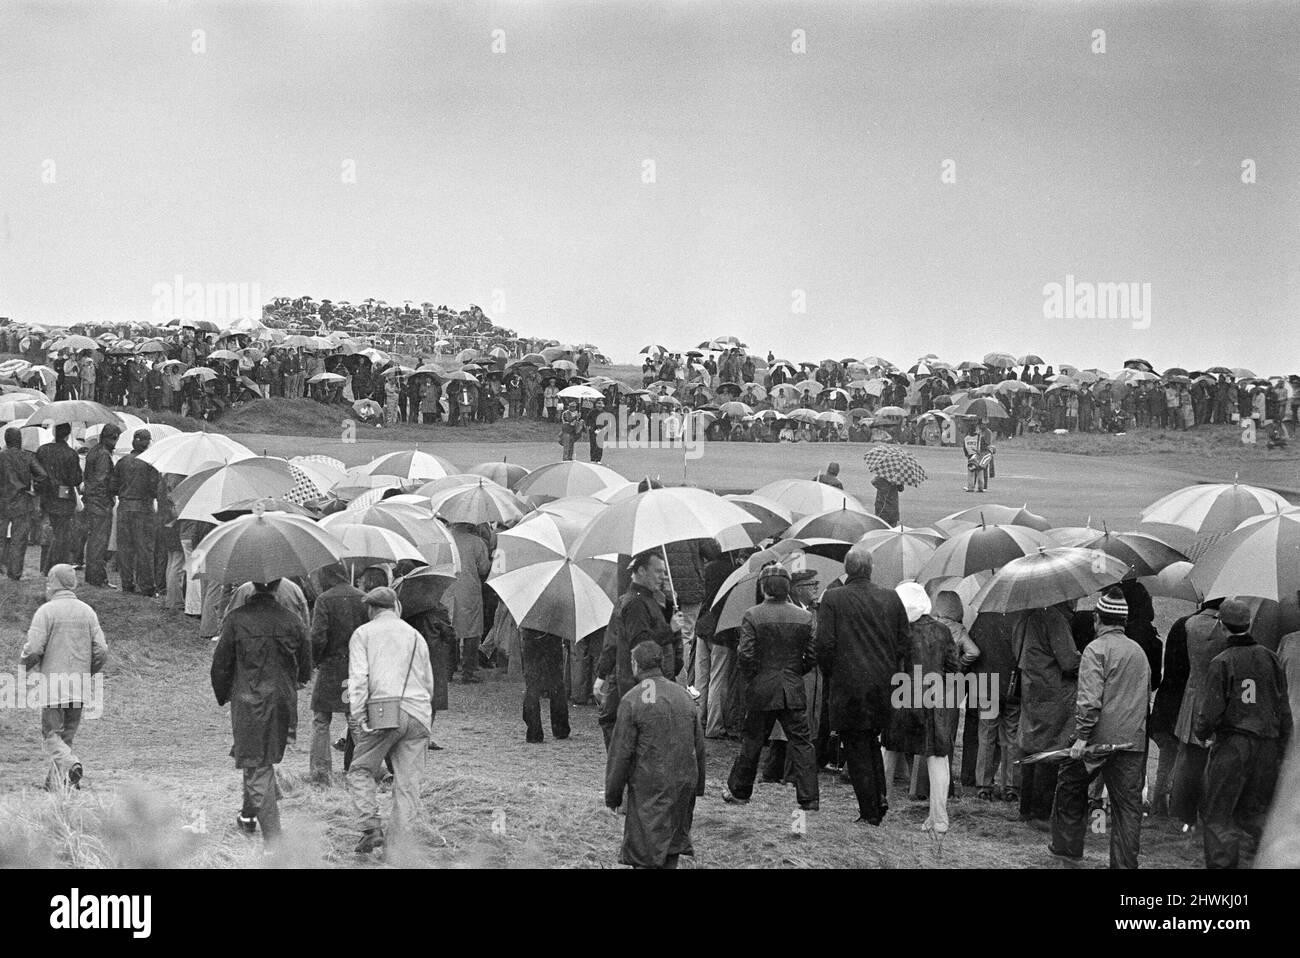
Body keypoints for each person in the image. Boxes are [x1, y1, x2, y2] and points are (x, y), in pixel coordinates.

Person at [1048, 589, 1151, 868]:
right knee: (1127, 810)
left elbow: (1090, 699)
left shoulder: (1096, 649)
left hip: (1096, 740)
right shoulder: (1139, 652)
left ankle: (1066, 854)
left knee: (1069, 788)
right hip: (1132, 742)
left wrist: (1081, 737)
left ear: (1097, 618)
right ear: (1124, 621)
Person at [210, 579, 312, 847]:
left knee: (256, 763)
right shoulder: (293, 619)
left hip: (249, 700)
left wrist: (223, 694)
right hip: (283, 699)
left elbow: (221, 664)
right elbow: (305, 666)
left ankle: (274, 841)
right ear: (278, 587)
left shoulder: (236, 619)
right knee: (257, 758)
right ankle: (248, 814)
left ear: (252, 588)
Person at [815, 543, 910, 825]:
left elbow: (824, 645)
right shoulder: (891, 597)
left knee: (857, 747)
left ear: (847, 570)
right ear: (870, 569)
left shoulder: (833, 598)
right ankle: (878, 801)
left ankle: (871, 810)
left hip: (849, 685)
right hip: (883, 684)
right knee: (870, 742)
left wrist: (833, 674)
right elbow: (904, 641)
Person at [1195, 598, 1293, 869]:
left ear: (1222, 626)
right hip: (1268, 746)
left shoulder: (1222, 661)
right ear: (1247, 624)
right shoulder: (1270, 657)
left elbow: (1211, 711)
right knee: (1255, 814)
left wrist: (1201, 732)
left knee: (1219, 814)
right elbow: (1283, 708)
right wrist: (1282, 747)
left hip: (1234, 746)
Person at [346, 586, 435, 856]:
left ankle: (371, 828)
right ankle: (398, 849)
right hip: (419, 713)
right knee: (407, 784)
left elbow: (359, 679)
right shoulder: (416, 635)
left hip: (383, 712)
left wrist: (359, 714)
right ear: (396, 606)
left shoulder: (363, 634)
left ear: (371, 609)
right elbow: (428, 682)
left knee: (360, 769)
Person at [722, 566, 819, 810]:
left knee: (753, 741)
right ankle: (809, 799)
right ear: (787, 587)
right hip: (792, 686)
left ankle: (739, 791)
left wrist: (755, 677)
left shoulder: (753, 615)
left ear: (763, 587)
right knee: (802, 743)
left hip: (762, 688)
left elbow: (745, 654)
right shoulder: (804, 617)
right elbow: (812, 654)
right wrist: (795, 673)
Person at [604, 640, 707, 869]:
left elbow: (620, 753)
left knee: (645, 850)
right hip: (682, 783)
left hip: (649, 786)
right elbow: (699, 746)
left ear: (635, 664)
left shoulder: (632, 699)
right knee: (672, 845)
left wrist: (613, 794)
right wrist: (697, 786)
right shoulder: (683, 697)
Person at [881, 582, 961, 834]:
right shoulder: (943, 630)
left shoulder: (897, 631)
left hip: (901, 697)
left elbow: (888, 667)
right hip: (933, 698)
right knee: (937, 758)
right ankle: (939, 819)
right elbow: (953, 667)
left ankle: (877, 809)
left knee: (887, 754)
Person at [20, 564, 107, 790]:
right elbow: (101, 650)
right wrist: (88, 672)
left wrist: (24, 666)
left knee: (51, 734)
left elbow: (34, 648)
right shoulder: (88, 611)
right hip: (79, 685)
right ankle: (58, 783)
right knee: (66, 736)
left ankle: (70, 765)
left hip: (53, 685)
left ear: (53, 582)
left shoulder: (46, 612)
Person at [596, 550, 685, 747]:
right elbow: (642, 645)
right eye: (658, 571)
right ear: (642, 570)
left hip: (644, 680)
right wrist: (670, 629)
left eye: (664, 572)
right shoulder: (636, 602)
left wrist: (670, 606)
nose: (663, 576)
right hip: (642, 681)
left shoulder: (648, 599)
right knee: (641, 729)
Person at [1014, 602, 1080, 828]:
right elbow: (1069, 661)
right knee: (1050, 748)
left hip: (1030, 685)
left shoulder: (1025, 614)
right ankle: (1040, 814)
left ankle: (1025, 809)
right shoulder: (1053, 617)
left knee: (1030, 745)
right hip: (1052, 689)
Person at [1169, 598, 1230, 828]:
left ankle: (1179, 812)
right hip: (1215, 698)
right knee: (1207, 762)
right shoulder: (1222, 630)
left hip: (1192, 694)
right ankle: (1201, 814)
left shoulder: (1191, 624)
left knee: (1186, 757)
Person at [308, 564, 368, 784]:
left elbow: (318, 637)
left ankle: (320, 772)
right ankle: (363, 768)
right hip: (355, 668)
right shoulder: (363, 598)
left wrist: (314, 660)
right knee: (355, 718)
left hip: (331, 667)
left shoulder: (324, 600)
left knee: (321, 719)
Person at [110, 429, 159, 596]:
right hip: (143, 509)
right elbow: (154, 489)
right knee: (144, 548)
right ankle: (146, 586)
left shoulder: (122, 462)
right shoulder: (150, 463)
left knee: (125, 548)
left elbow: (113, 487)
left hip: (124, 507)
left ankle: (127, 584)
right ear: (148, 443)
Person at [0, 426, 47, 580]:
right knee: (18, 540)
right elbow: (42, 475)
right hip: (22, 501)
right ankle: (14, 573)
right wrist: (33, 488)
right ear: (20, 440)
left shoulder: (1, 456)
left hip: (2, 502)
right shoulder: (27, 456)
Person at [446, 522, 491, 683]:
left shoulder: (445, 539)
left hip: (447, 588)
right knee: (471, 630)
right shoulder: (476, 542)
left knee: (450, 627)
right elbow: (484, 568)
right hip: (469, 589)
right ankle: (468, 671)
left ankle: (448, 670)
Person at [36, 422, 82, 572]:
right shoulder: (71, 454)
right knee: (61, 533)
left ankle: (46, 565)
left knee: (49, 531)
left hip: (46, 496)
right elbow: (75, 479)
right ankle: (51, 565)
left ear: (54, 433)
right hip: (64, 498)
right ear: (68, 435)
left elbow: (37, 472)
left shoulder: (42, 450)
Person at [82, 424, 119, 589]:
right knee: (99, 541)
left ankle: (93, 576)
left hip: (92, 501)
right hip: (101, 503)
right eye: (115, 439)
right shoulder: (104, 455)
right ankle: (98, 578)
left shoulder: (94, 451)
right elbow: (101, 481)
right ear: (110, 438)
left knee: (94, 541)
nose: (116, 443)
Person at [521, 628, 571, 743]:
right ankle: (560, 727)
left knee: (532, 684)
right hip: (553, 634)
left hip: (530, 635)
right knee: (556, 681)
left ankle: (534, 732)